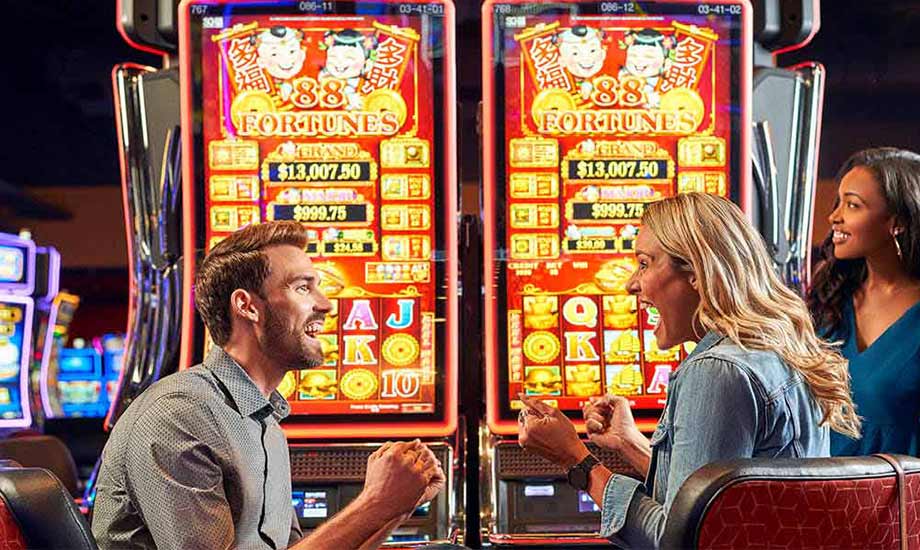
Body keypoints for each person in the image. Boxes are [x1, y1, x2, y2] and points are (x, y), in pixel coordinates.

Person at [517, 192, 860, 549]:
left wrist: (575, 459)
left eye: (645, 264)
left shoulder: (717, 370)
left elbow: (678, 539)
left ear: (696, 273)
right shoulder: (778, 350)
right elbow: (722, 502)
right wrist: (630, 444)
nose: (631, 283)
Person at [92, 221, 445, 549]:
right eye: (303, 287)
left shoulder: (263, 421)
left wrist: (397, 504)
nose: (324, 304)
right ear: (247, 306)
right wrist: (375, 502)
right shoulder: (178, 415)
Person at [808, 147, 920, 456]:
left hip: (901, 499)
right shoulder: (828, 298)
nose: (834, 217)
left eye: (853, 205)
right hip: (812, 494)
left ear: (896, 222)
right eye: (839, 202)